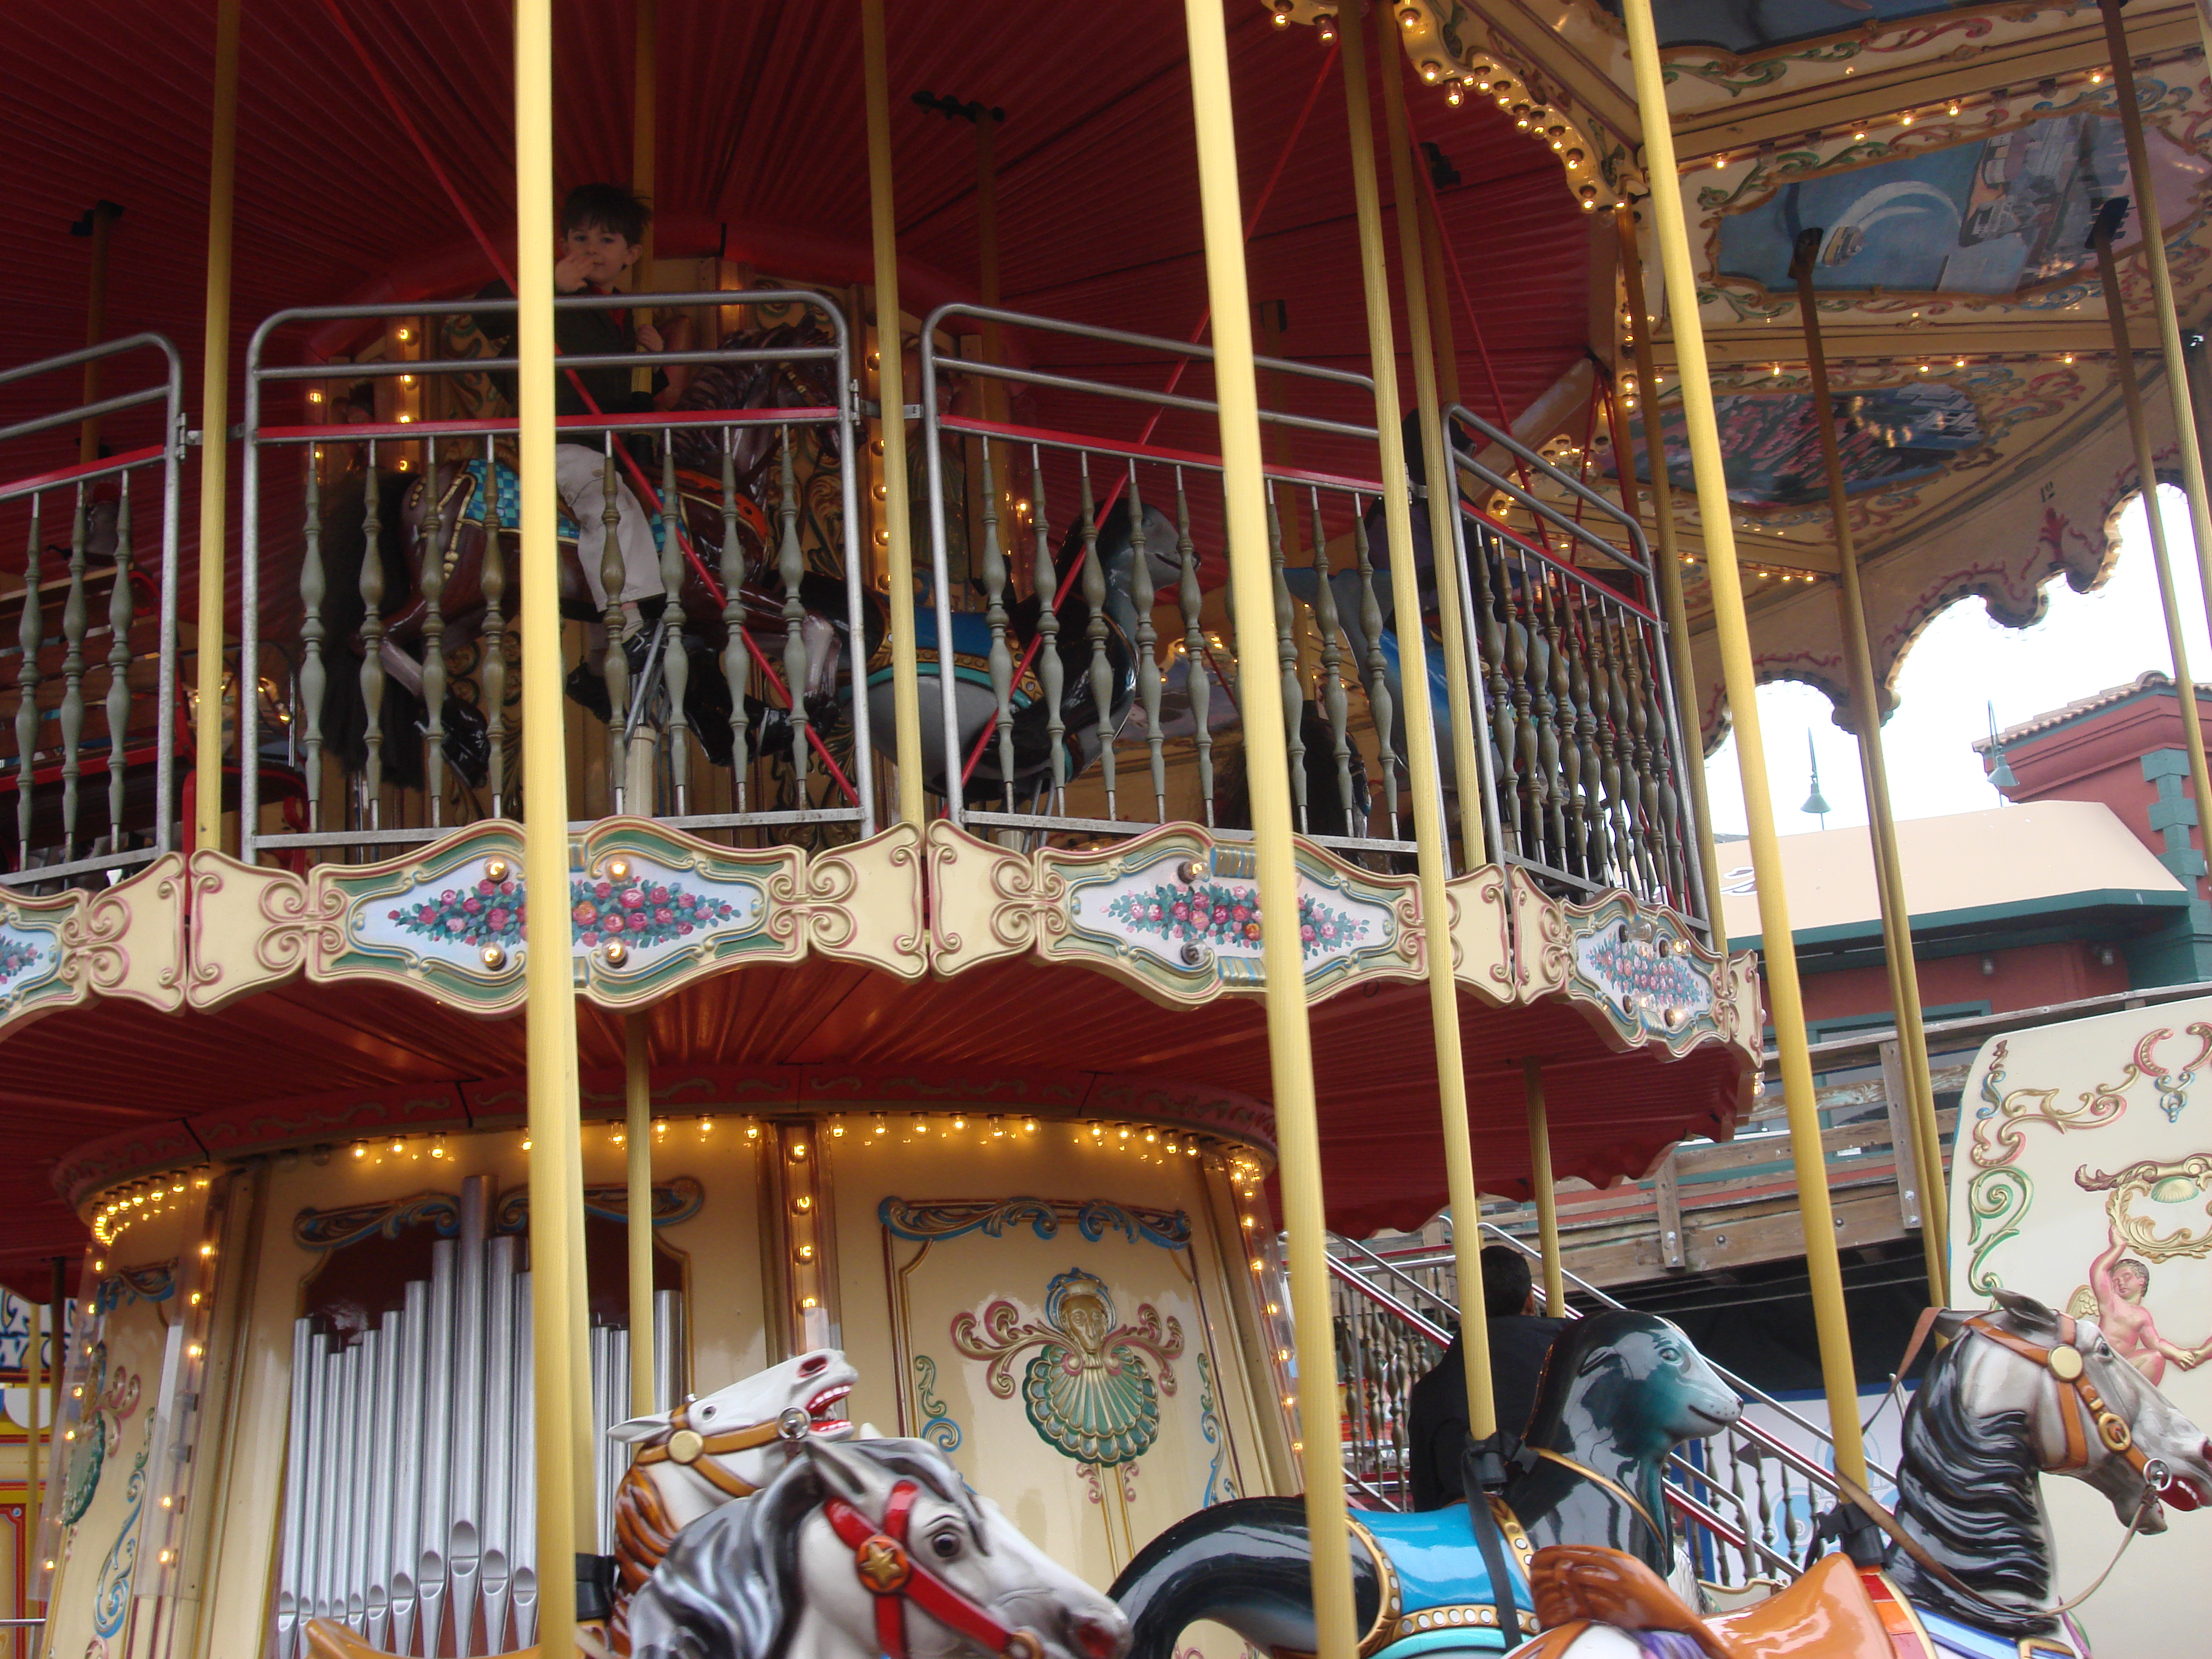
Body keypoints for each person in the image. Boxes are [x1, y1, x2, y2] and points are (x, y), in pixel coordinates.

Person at [477, 184, 686, 710]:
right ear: (562, 244)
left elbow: (631, 395)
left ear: (631, 254)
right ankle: (629, 622)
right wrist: (546, 284)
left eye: (606, 240)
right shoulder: (552, 293)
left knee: (634, 502)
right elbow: (487, 313)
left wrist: (651, 360)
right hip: (558, 438)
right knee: (607, 504)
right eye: (579, 238)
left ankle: (600, 662)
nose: (591, 249)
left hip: (600, 442)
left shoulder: (621, 316)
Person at [1406, 1244, 1566, 1510]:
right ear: (1530, 1300)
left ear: (1468, 1307)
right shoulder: (1571, 1356)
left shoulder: (1432, 1391)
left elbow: (1426, 1496)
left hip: (1473, 1524)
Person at [2086, 1232, 2208, 1384]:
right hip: (2100, 1361)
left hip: (2121, 1366)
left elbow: (2155, 1343)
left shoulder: (2143, 1315)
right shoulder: (2111, 1301)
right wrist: (2117, 1247)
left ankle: (2135, 1397)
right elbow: (2099, 1270)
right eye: (2115, 1280)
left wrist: (2177, 1354)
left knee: (2155, 1358)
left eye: (2126, 1277)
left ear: (2141, 1280)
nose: (2121, 1283)